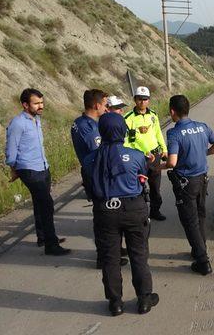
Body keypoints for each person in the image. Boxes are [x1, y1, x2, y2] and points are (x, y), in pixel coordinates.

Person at [83, 112, 158, 316]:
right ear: (123, 130)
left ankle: (115, 302)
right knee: (139, 254)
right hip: (134, 208)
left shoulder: (90, 160)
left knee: (110, 258)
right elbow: (145, 174)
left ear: (101, 131)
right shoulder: (135, 155)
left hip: (104, 210)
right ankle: (144, 298)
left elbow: (88, 189)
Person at [163, 95, 214, 275]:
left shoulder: (174, 133)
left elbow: (172, 162)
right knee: (200, 214)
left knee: (189, 220)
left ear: (172, 111)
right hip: (202, 179)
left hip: (186, 183)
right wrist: (202, 153)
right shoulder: (202, 126)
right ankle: (199, 247)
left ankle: (202, 261)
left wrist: (158, 165)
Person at [5, 88, 70, 255]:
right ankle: (51, 244)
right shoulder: (18, 123)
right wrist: (14, 169)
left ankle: (43, 237)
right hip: (28, 169)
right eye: (36, 103)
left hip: (42, 166)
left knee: (40, 204)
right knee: (47, 205)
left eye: (42, 102)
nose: (41, 106)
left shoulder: (36, 119)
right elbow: (11, 150)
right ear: (25, 105)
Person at [71, 89, 128, 269]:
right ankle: (104, 257)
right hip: (96, 177)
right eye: (105, 105)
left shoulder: (84, 122)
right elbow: (100, 151)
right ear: (97, 105)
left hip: (99, 174)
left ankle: (114, 250)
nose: (107, 108)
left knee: (111, 215)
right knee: (103, 218)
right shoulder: (87, 127)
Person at [124, 86, 167, 221]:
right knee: (138, 188)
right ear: (135, 100)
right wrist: (143, 152)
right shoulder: (128, 118)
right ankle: (140, 214)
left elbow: (158, 133)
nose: (142, 102)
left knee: (155, 187)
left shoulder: (153, 115)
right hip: (138, 158)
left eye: (145, 99)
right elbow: (128, 141)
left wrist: (164, 149)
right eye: (139, 99)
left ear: (149, 100)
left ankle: (155, 211)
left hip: (155, 157)